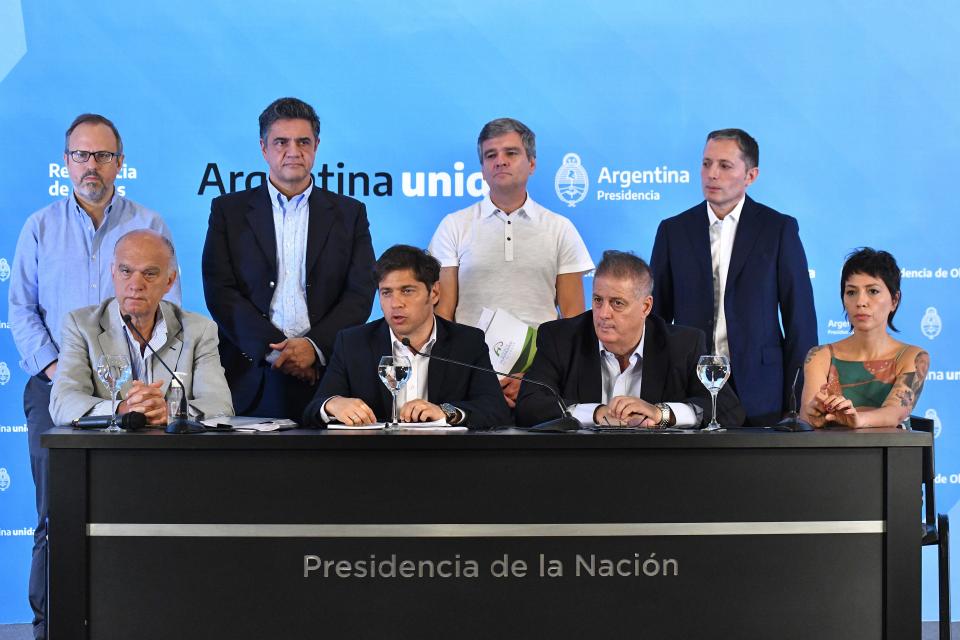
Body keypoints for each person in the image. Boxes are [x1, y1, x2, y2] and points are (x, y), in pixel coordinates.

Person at [8, 113, 178, 640]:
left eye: (103, 155)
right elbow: (21, 309)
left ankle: (130, 620)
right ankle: (48, 625)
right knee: (54, 512)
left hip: (134, 394)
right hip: (54, 388)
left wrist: (137, 386)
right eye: (81, 155)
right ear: (66, 162)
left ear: (120, 163)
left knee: (133, 509)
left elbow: (169, 312)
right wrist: (60, 371)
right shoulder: (39, 227)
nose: (92, 165)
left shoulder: (148, 225)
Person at [202, 97, 376, 420]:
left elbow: (360, 294)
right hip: (250, 374)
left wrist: (313, 348)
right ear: (263, 148)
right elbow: (220, 292)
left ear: (316, 146)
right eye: (281, 142)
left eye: (303, 142)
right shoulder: (228, 211)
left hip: (328, 377)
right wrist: (278, 352)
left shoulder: (350, 214)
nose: (293, 151)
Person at [650, 128, 817, 427]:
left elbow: (800, 321)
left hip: (761, 389)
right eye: (706, 164)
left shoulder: (778, 229)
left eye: (725, 166)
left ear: (751, 175)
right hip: (689, 388)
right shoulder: (673, 231)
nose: (712, 174)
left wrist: (797, 401)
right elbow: (656, 320)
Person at [428, 117, 594, 409]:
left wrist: (533, 376)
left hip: (542, 375)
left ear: (532, 163)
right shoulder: (453, 226)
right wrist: (475, 375)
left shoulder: (560, 228)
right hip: (469, 373)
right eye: (490, 155)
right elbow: (444, 315)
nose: (500, 161)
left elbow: (572, 318)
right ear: (482, 168)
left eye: (511, 153)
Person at [516, 251, 744, 429]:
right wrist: (596, 413)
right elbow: (529, 405)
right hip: (579, 464)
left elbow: (728, 410)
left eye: (617, 303)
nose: (603, 313)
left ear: (645, 306)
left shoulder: (683, 344)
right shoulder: (561, 338)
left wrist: (660, 413)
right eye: (598, 300)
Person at [303, 245, 510, 428]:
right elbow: (313, 410)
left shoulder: (467, 342)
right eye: (386, 292)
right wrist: (332, 404)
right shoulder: (353, 343)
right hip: (372, 456)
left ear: (434, 293)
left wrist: (444, 412)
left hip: (445, 456)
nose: (395, 303)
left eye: (407, 291)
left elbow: (495, 410)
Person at [50, 230, 233, 426]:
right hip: (107, 444)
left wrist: (171, 411)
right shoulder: (81, 326)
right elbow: (63, 404)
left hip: (174, 445)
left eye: (149, 274)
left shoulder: (199, 330)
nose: (136, 284)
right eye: (126, 271)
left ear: (169, 281)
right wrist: (123, 409)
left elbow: (220, 405)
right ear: (113, 273)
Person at [800, 249, 928, 428]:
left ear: (894, 300)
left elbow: (894, 413)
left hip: (889, 447)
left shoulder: (913, 356)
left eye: (873, 291)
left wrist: (858, 419)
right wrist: (813, 414)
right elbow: (807, 420)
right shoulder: (820, 355)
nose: (860, 302)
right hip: (829, 447)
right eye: (851, 292)